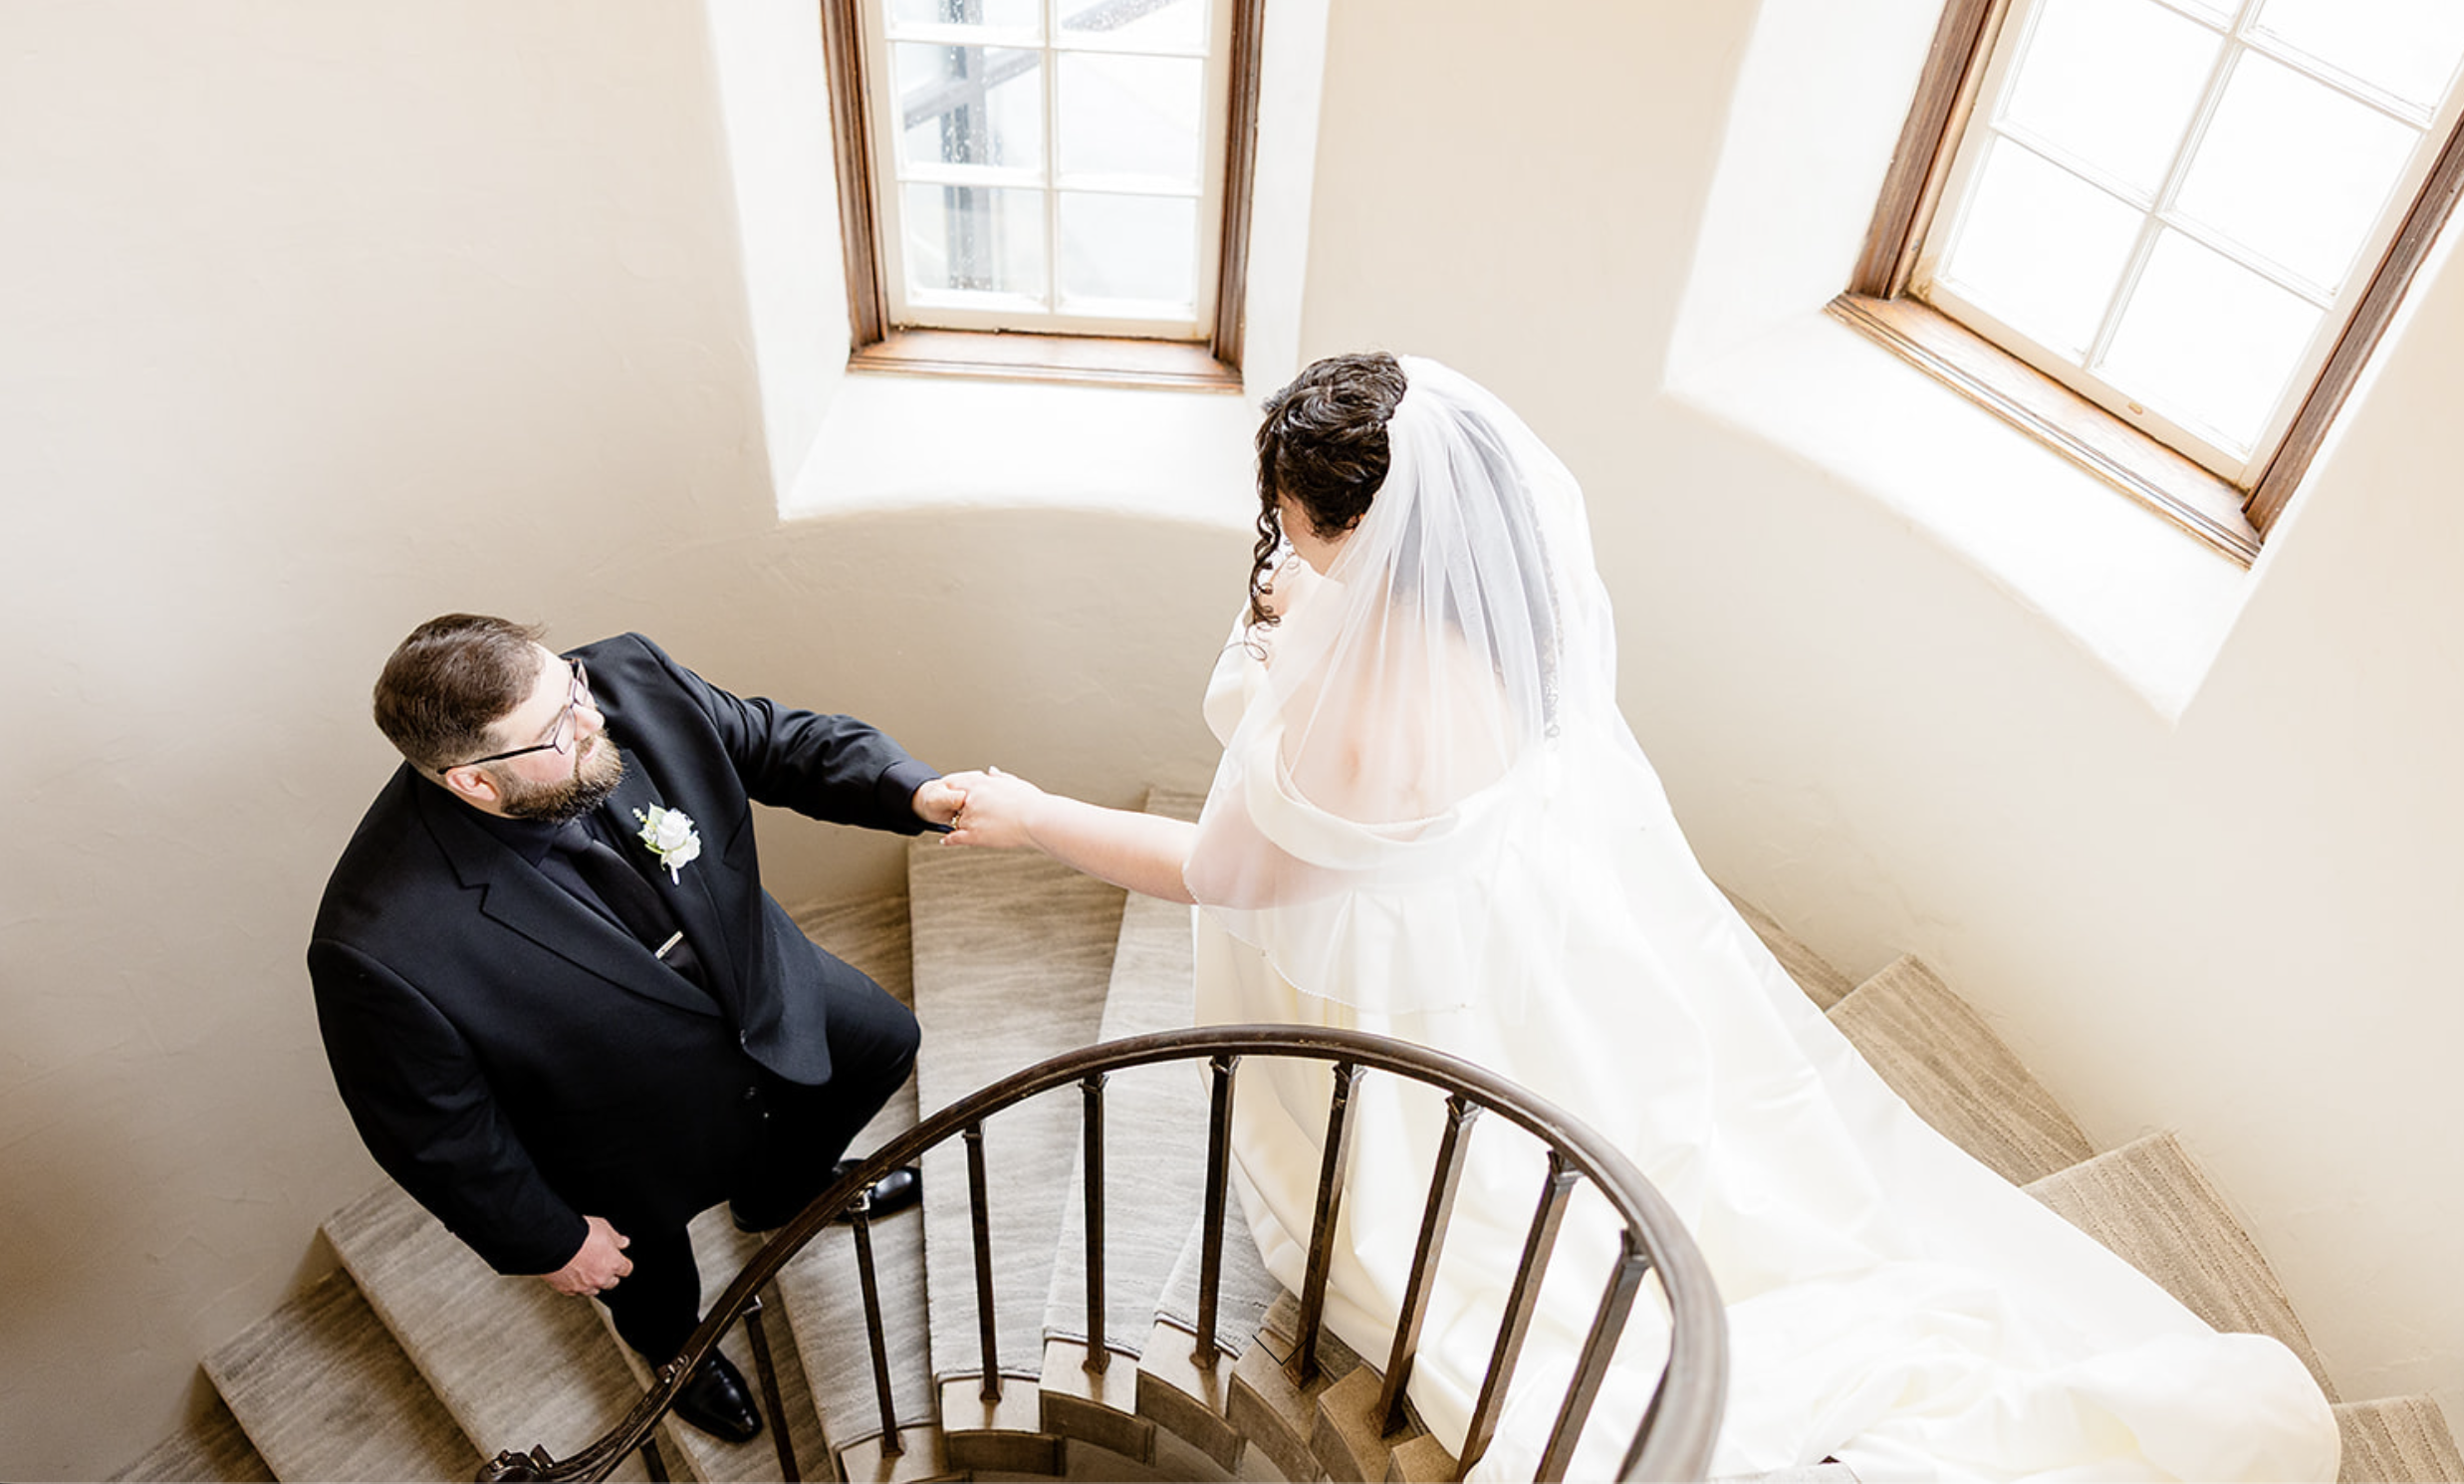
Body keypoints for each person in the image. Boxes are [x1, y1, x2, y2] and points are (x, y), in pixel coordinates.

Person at [938, 354, 2340, 1480]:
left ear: (1360, 529)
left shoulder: (1342, 718)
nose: (1280, 547)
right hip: (1489, 948)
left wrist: (1033, 812)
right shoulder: (1508, 617)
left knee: (1438, 1225)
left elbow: (1223, 869)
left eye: (1299, 528)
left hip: (1375, 978)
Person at [311, 617, 953, 1444]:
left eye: (569, 687)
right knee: (652, 1283)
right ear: (474, 783)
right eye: (557, 728)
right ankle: (678, 1356)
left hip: (760, 988)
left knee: (883, 1042)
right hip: (614, 1138)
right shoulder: (377, 941)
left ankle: (781, 1196)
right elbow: (433, 1131)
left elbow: (772, 742)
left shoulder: (620, 681)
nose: (594, 717)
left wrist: (908, 790)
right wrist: (552, 1241)